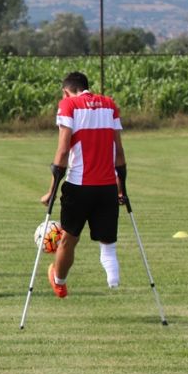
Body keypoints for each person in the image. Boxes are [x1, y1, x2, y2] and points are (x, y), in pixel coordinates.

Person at [40, 71, 126, 298]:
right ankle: (113, 279)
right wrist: (121, 189)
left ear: (65, 91)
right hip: (107, 186)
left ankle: (59, 282)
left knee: (68, 239)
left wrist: (51, 191)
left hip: (79, 187)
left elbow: (62, 151)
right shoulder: (109, 105)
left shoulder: (68, 105)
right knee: (108, 243)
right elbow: (118, 151)